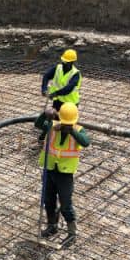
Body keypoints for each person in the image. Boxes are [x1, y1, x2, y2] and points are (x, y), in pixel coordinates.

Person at [34, 102, 90, 246]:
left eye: (68, 123)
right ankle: (52, 226)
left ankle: (72, 232)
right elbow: (38, 124)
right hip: (50, 169)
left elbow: (86, 142)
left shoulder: (78, 130)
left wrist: (71, 131)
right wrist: (44, 114)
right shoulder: (52, 126)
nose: (65, 126)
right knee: (49, 200)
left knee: (65, 203)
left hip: (65, 175)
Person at [38, 49, 82, 141]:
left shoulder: (75, 74)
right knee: (53, 119)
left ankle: (63, 141)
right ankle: (46, 135)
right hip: (58, 101)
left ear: (72, 62)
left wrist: (56, 93)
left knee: (66, 124)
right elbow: (46, 76)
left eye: (66, 62)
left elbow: (69, 89)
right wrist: (44, 88)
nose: (64, 63)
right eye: (63, 61)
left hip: (70, 104)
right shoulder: (58, 68)